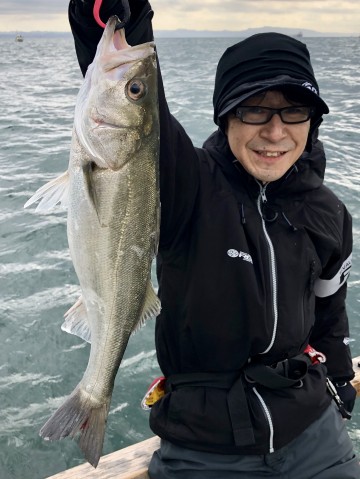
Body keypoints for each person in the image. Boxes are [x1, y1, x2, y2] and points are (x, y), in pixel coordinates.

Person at [69, 1, 360, 477]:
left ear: (313, 121)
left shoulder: (329, 214)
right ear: (225, 118)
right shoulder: (191, 184)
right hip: (204, 448)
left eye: (294, 111)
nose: (275, 130)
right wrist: (108, 19)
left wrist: (342, 386)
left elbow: (330, 313)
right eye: (253, 109)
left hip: (314, 434)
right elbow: (138, 114)